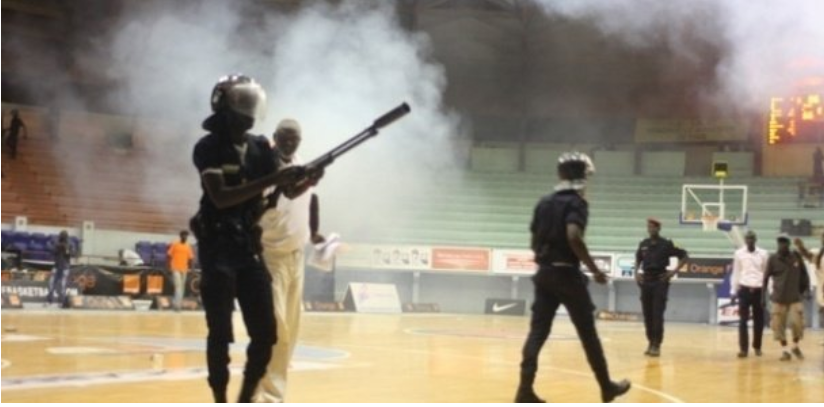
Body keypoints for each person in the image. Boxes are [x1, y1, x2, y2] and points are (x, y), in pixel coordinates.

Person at [190, 74, 312, 403]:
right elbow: (221, 197)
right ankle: (220, 397)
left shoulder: (259, 147)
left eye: (252, 107)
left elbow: (283, 191)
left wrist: (307, 180)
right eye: (242, 107)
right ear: (223, 108)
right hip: (218, 249)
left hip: (247, 247)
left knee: (268, 333)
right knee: (220, 332)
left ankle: (246, 399)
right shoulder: (208, 147)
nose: (249, 114)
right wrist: (275, 177)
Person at [515, 152, 630, 403]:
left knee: (537, 333)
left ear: (560, 174)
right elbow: (574, 236)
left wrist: (544, 262)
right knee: (588, 334)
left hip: (544, 273)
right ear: (582, 176)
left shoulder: (543, 202)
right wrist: (594, 270)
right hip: (567, 274)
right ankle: (606, 386)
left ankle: (524, 390)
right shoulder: (577, 203)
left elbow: (534, 241)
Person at [255, 119, 324, 403]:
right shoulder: (265, 169)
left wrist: (316, 231)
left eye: (293, 138)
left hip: (297, 256)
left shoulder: (301, 163)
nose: (288, 142)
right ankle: (268, 395)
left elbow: (312, 198)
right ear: (274, 138)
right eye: (283, 137)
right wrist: (305, 180)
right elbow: (287, 191)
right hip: (271, 257)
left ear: (300, 141)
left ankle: (273, 389)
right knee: (276, 328)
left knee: (291, 329)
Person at [634, 218, 689, 357]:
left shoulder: (667, 244)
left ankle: (656, 345)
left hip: (660, 281)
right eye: (648, 227)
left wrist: (672, 272)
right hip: (646, 281)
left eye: (653, 227)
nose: (650, 229)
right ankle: (650, 342)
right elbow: (637, 259)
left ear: (658, 228)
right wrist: (636, 273)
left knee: (657, 314)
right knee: (647, 315)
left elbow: (684, 255)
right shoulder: (643, 244)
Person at [763, 234, 810, 361]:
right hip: (778, 298)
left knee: (797, 323)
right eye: (779, 242)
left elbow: (804, 275)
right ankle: (785, 351)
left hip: (795, 297)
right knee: (778, 326)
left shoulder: (796, 256)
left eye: (784, 242)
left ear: (788, 244)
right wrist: (763, 297)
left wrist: (806, 290)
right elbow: (765, 278)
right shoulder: (772, 259)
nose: (782, 244)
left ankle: (795, 346)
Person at [730, 231, 769, 358]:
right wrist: (733, 291)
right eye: (748, 238)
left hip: (759, 291)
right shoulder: (739, 254)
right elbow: (736, 272)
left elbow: (767, 274)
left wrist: (770, 291)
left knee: (759, 321)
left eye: (752, 238)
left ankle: (757, 347)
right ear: (745, 240)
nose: (750, 241)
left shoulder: (763, 254)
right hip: (744, 290)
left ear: (755, 240)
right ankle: (743, 349)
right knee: (742, 321)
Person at [793, 233, 823, 346]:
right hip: (821, 288)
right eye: (822, 238)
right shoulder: (819, 254)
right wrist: (800, 246)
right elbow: (807, 255)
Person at [167, 230, 195, 312]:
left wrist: (192, 268)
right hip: (175, 268)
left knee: (182, 288)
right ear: (180, 236)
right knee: (178, 287)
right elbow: (169, 255)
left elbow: (191, 258)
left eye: (186, 236)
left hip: (184, 269)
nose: (185, 237)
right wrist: (168, 266)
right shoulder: (175, 244)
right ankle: (177, 306)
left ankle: (177, 303)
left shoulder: (188, 246)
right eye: (183, 235)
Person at [46, 231, 73, 306]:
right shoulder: (57, 244)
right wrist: (58, 247)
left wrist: (66, 249)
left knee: (60, 285)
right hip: (59, 267)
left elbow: (71, 254)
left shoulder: (69, 245)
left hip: (63, 267)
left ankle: (60, 302)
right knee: (54, 284)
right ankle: (51, 301)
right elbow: (52, 251)